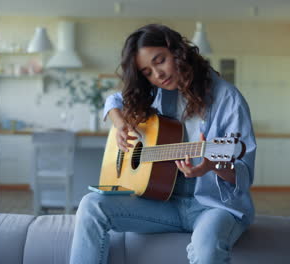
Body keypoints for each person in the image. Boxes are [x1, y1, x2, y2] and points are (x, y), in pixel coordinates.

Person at [69, 24, 256, 264]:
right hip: (164, 202)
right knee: (92, 205)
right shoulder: (155, 92)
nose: (157, 75)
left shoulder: (228, 99)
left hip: (214, 206)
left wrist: (211, 166)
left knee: (206, 251)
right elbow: (114, 100)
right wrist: (118, 122)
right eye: (147, 72)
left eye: (161, 60)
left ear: (178, 51)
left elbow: (244, 175)